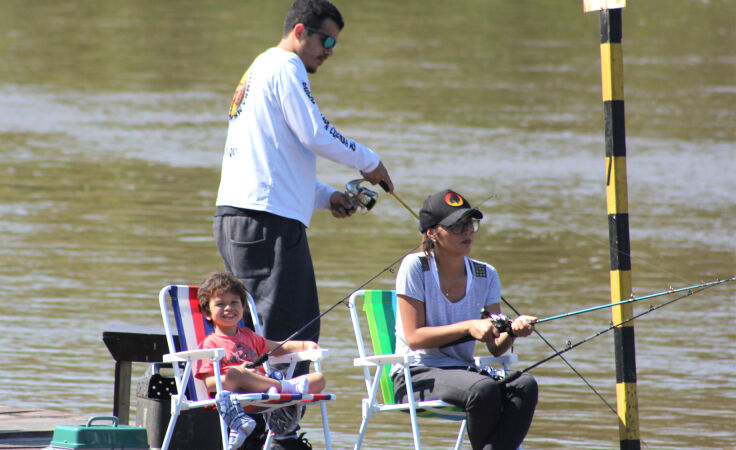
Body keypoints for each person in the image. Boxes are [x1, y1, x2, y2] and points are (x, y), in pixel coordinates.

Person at [214, 1, 394, 447]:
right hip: (266, 222)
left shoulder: (261, 68)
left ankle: (262, 431)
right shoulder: (285, 66)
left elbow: (283, 158)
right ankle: (276, 436)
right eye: (326, 40)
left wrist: (327, 196)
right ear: (300, 31)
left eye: (335, 43)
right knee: (293, 334)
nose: (330, 50)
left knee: (263, 334)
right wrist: (369, 161)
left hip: (247, 216)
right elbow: (315, 132)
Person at [392, 189, 539, 450]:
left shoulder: (486, 274)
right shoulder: (415, 266)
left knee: (524, 384)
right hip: (416, 374)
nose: (467, 232)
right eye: (457, 226)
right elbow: (414, 338)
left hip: (466, 372)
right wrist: (470, 327)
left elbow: (495, 346)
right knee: (484, 389)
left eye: (470, 224)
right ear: (432, 233)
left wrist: (513, 330)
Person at [195, 272, 326, 449]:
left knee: (318, 379)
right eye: (220, 304)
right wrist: (241, 375)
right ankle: (283, 388)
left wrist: (305, 344)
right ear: (207, 313)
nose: (228, 308)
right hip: (235, 395)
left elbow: (279, 347)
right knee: (236, 372)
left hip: (264, 391)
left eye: (234, 302)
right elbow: (210, 383)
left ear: (242, 306)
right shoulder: (209, 343)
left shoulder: (249, 335)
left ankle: (280, 387)